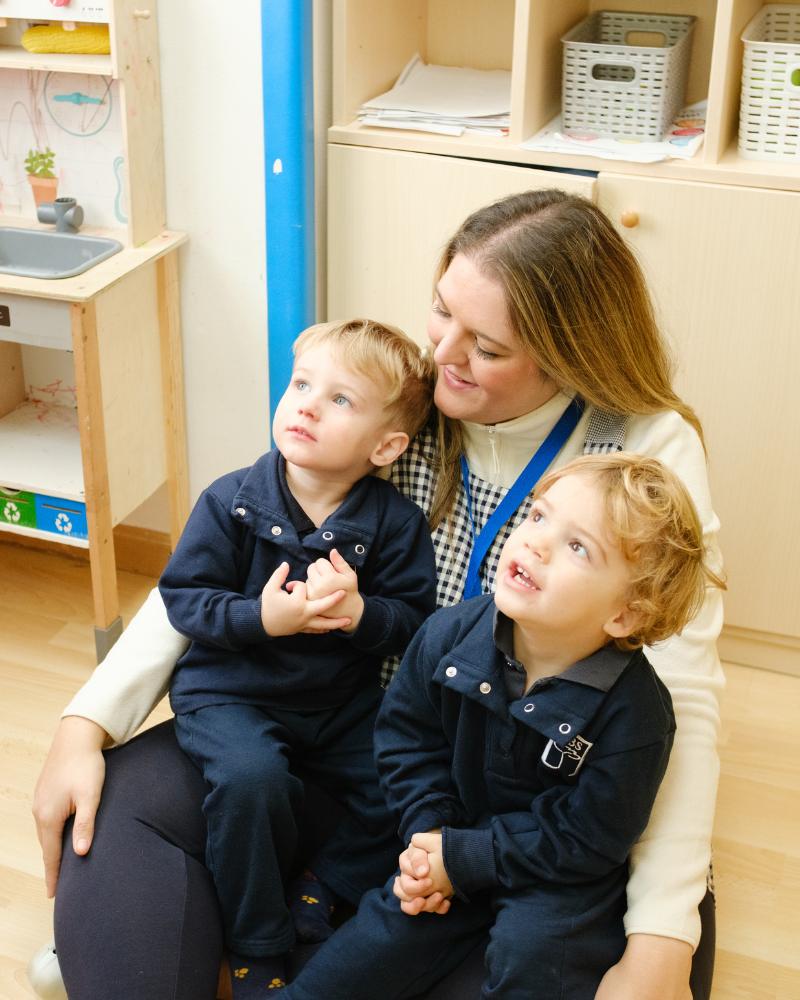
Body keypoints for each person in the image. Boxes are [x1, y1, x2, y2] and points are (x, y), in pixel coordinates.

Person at [32, 189, 724, 1000]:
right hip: (363, 746)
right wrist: (87, 719)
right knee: (119, 823)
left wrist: (662, 937)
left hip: (530, 819)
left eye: (488, 348)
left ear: (571, 356)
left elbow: (679, 697)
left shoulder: (642, 454)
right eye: (442, 313)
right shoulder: (398, 404)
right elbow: (230, 551)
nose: (446, 356)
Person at [280, 453, 726, 1000]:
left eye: (578, 547)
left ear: (624, 615)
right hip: (453, 834)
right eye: (538, 517)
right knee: (372, 943)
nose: (535, 543)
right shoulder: (447, 636)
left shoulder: (638, 716)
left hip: (556, 879)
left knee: (535, 959)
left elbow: (588, 840)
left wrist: (467, 858)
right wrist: (432, 834)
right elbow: (406, 742)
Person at [160, 318, 437, 994]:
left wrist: (361, 614)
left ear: (386, 445)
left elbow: (414, 626)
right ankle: (255, 941)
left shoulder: (395, 524)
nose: (306, 404)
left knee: (414, 778)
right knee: (254, 782)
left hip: (337, 703)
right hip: (230, 693)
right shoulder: (231, 502)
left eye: (339, 399)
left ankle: (325, 882)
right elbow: (185, 598)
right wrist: (263, 617)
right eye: (301, 385)